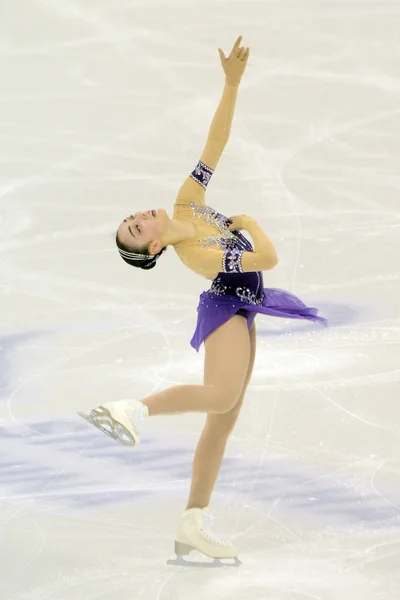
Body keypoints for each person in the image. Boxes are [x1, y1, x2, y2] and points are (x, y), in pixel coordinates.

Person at [79, 36, 327, 563]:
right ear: (152, 245)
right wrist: (254, 224)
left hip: (246, 305)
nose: (138, 216)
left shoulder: (186, 201)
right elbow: (268, 259)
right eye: (134, 227)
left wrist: (231, 85)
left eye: (131, 216)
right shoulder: (196, 258)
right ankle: (131, 408)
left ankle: (192, 521)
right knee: (219, 397)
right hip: (227, 306)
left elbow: (216, 142)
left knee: (225, 416)